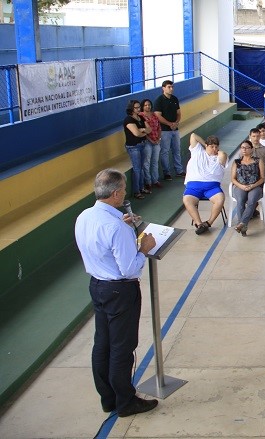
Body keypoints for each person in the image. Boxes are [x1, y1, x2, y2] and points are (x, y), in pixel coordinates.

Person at [74, 169, 159, 417]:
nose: (124, 193)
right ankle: (126, 401)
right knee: (122, 347)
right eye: (122, 189)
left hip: (98, 286)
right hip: (120, 290)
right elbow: (129, 268)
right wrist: (143, 248)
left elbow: (100, 245)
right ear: (115, 194)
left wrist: (123, 230)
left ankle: (108, 399)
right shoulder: (116, 227)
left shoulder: (85, 216)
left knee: (103, 344)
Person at [183, 133, 228, 235]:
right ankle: (199, 224)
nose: (214, 149)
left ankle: (208, 223)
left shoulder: (219, 156)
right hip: (193, 187)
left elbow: (223, 155)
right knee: (187, 200)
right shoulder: (197, 151)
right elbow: (193, 135)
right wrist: (204, 144)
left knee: (220, 199)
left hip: (212, 187)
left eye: (216, 147)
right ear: (206, 146)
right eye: (211, 146)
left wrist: (217, 151)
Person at [231, 140, 265, 236]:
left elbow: (262, 178)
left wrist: (252, 185)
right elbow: (233, 179)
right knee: (240, 200)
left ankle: (241, 224)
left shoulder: (258, 161)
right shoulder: (236, 162)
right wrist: (242, 186)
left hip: (255, 186)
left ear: (252, 149)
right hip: (240, 186)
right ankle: (243, 226)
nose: (244, 150)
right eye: (242, 147)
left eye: (247, 147)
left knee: (251, 201)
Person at [154, 80, 184, 181]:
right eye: (169, 87)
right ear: (163, 88)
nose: (171, 89)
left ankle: (179, 171)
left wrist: (176, 123)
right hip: (165, 130)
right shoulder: (159, 100)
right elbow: (158, 115)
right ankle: (167, 173)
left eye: (172, 87)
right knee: (165, 151)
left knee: (177, 150)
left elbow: (179, 113)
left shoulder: (175, 99)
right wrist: (169, 124)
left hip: (175, 129)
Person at [122, 100, 150, 199]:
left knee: (141, 168)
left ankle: (142, 187)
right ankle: (136, 191)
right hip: (134, 147)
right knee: (137, 169)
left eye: (139, 107)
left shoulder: (141, 117)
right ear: (131, 109)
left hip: (143, 144)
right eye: (136, 108)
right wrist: (143, 131)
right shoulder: (128, 120)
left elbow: (149, 129)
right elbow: (136, 134)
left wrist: (143, 131)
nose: (139, 109)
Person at [139, 99, 161, 190]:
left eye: (149, 105)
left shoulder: (154, 115)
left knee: (155, 161)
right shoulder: (141, 116)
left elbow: (159, 127)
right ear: (142, 107)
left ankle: (155, 180)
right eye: (145, 105)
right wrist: (151, 140)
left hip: (156, 141)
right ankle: (148, 182)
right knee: (146, 162)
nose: (148, 106)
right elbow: (143, 131)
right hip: (147, 142)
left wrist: (158, 138)